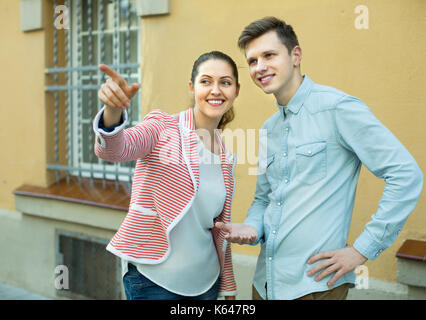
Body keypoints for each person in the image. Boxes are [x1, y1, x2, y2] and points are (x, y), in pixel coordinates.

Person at [215, 16, 423, 300]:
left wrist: (363, 249)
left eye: (269, 55)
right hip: (264, 285)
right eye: (252, 61)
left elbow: (406, 174)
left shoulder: (338, 108)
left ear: (296, 55)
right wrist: (253, 226)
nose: (259, 67)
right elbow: (265, 199)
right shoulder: (268, 129)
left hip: (313, 287)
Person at [92, 51, 240, 300]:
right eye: (206, 81)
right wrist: (112, 113)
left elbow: (219, 230)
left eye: (225, 82)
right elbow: (115, 150)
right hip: (153, 283)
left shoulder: (226, 155)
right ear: (192, 88)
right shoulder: (163, 126)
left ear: (236, 91)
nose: (216, 90)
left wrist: (228, 287)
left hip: (207, 284)